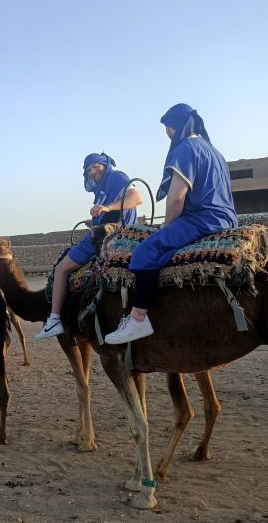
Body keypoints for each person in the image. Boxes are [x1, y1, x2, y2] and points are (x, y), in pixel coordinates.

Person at [104, 103, 238, 344]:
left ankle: (138, 318)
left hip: (201, 219)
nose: (167, 134)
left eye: (167, 129)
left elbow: (176, 197)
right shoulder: (213, 150)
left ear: (173, 127)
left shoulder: (186, 148)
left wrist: (165, 228)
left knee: (146, 250)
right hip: (227, 217)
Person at [36, 154, 142, 339]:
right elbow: (112, 212)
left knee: (61, 269)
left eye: (96, 166)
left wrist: (107, 208)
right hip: (115, 231)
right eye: (89, 169)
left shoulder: (116, 177)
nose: (93, 171)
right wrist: (95, 220)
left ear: (105, 164)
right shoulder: (102, 189)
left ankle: (54, 320)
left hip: (110, 235)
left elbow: (136, 197)